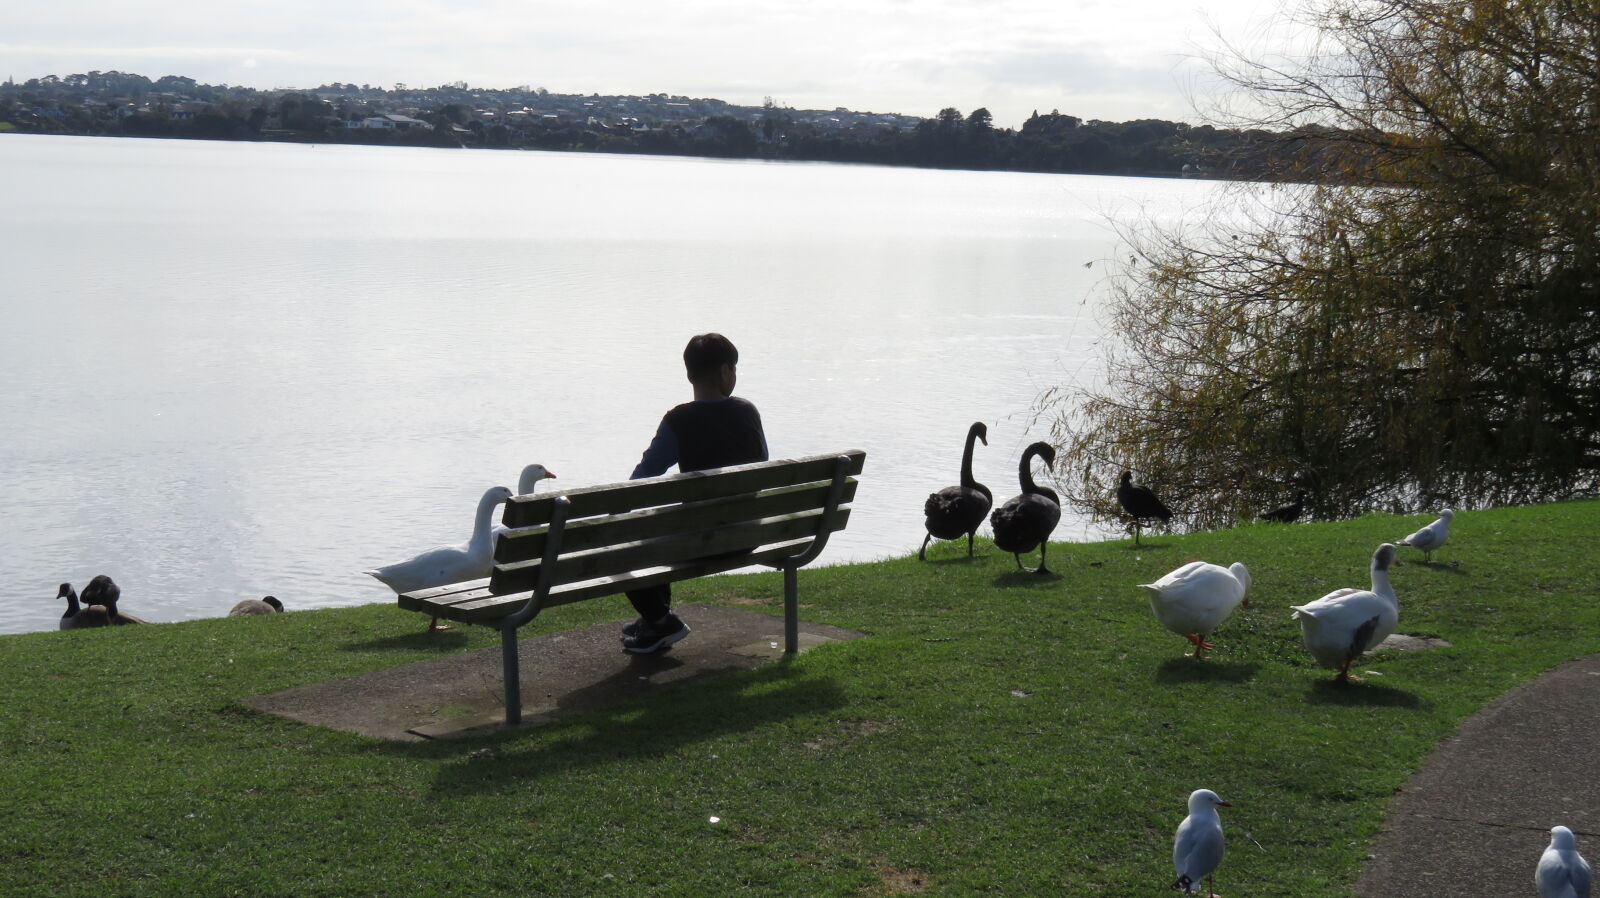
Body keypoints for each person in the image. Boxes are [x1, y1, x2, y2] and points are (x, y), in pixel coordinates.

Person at [622, 333, 768, 653]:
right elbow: (762, 467)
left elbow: (643, 479)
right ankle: (655, 621)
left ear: (689, 374)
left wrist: (618, 513)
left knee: (624, 539)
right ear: (727, 370)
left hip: (702, 542)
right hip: (750, 534)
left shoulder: (678, 421)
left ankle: (660, 620)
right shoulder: (747, 412)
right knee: (659, 529)